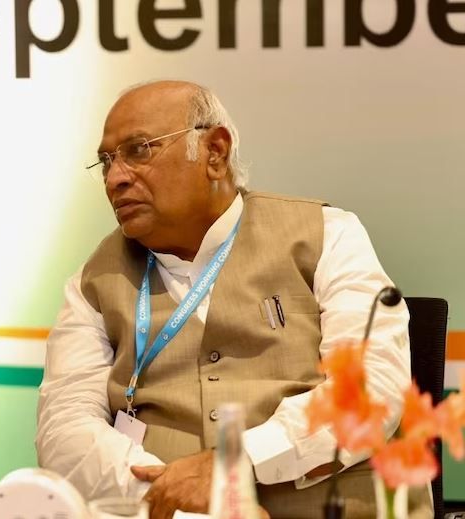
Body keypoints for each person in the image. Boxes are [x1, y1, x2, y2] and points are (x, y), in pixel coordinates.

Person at [35, 81, 430, 519]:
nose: (115, 179)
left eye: (139, 150)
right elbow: (64, 427)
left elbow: (371, 388)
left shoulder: (328, 234)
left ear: (215, 153)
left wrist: (238, 462)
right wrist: (174, 500)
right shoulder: (93, 281)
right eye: (107, 161)